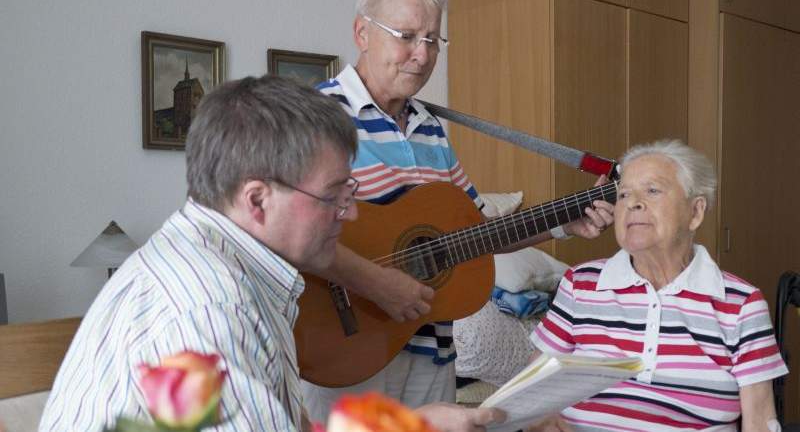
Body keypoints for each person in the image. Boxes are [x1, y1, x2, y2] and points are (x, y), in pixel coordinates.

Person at [39, 75, 503, 432]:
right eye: (334, 195)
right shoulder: (211, 312)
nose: (351, 214)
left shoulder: (225, 266)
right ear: (257, 200)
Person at [302, 0, 615, 424]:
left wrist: (564, 223)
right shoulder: (315, 117)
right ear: (362, 33)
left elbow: (478, 231)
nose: (423, 54)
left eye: (432, 39)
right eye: (407, 36)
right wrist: (377, 283)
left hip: (430, 345)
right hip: (346, 342)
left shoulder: (430, 128)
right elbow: (290, 237)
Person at [527, 140, 788, 431]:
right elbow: (531, 395)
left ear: (695, 212)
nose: (633, 203)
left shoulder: (741, 303)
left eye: (652, 191)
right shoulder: (580, 284)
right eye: (623, 194)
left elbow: (761, 420)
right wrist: (542, 422)